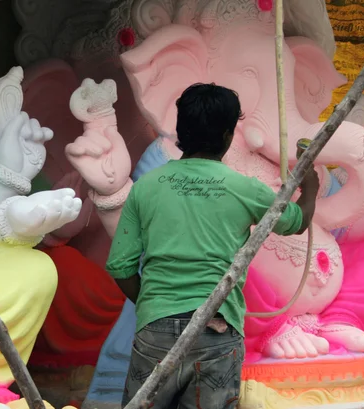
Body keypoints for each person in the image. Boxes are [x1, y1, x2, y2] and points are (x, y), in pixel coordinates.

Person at [105, 83, 320, 409]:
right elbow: (296, 221)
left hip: (155, 332)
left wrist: (154, 307)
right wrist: (312, 187)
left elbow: (120, 266)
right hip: (217, 334)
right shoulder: (246, 189)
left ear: (181, 130)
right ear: (227, 135)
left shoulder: (146, 187)